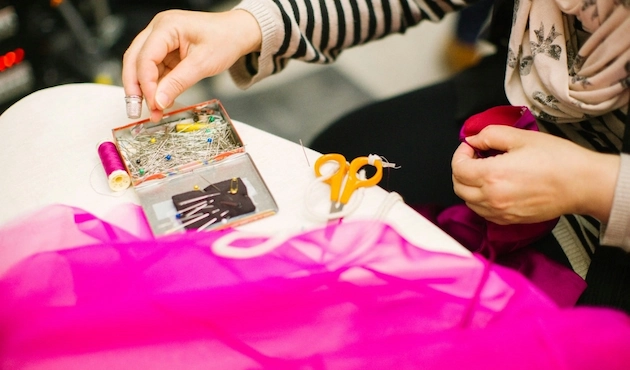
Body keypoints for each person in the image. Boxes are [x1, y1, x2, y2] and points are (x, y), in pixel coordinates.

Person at [122, 0, 630, 312]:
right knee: (333, 158)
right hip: (506, 109)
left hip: (612, 236)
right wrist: (251, 25)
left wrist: (597, 184)